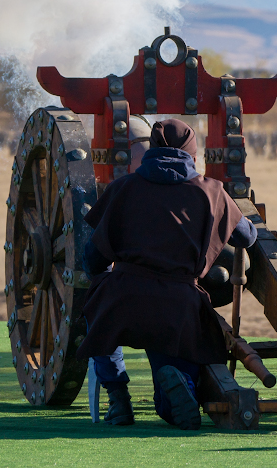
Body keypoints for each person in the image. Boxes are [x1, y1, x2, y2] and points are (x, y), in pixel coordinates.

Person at [76, 119, 257, 429]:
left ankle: (118, 397)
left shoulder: (124, 187)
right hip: (180, 304)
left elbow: (93, 260)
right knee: (175, 366)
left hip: (125, 297)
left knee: (100, 312)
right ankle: (180, 385)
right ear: (192, 153)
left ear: (152, 149)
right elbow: (247, 238)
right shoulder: (211, 192)